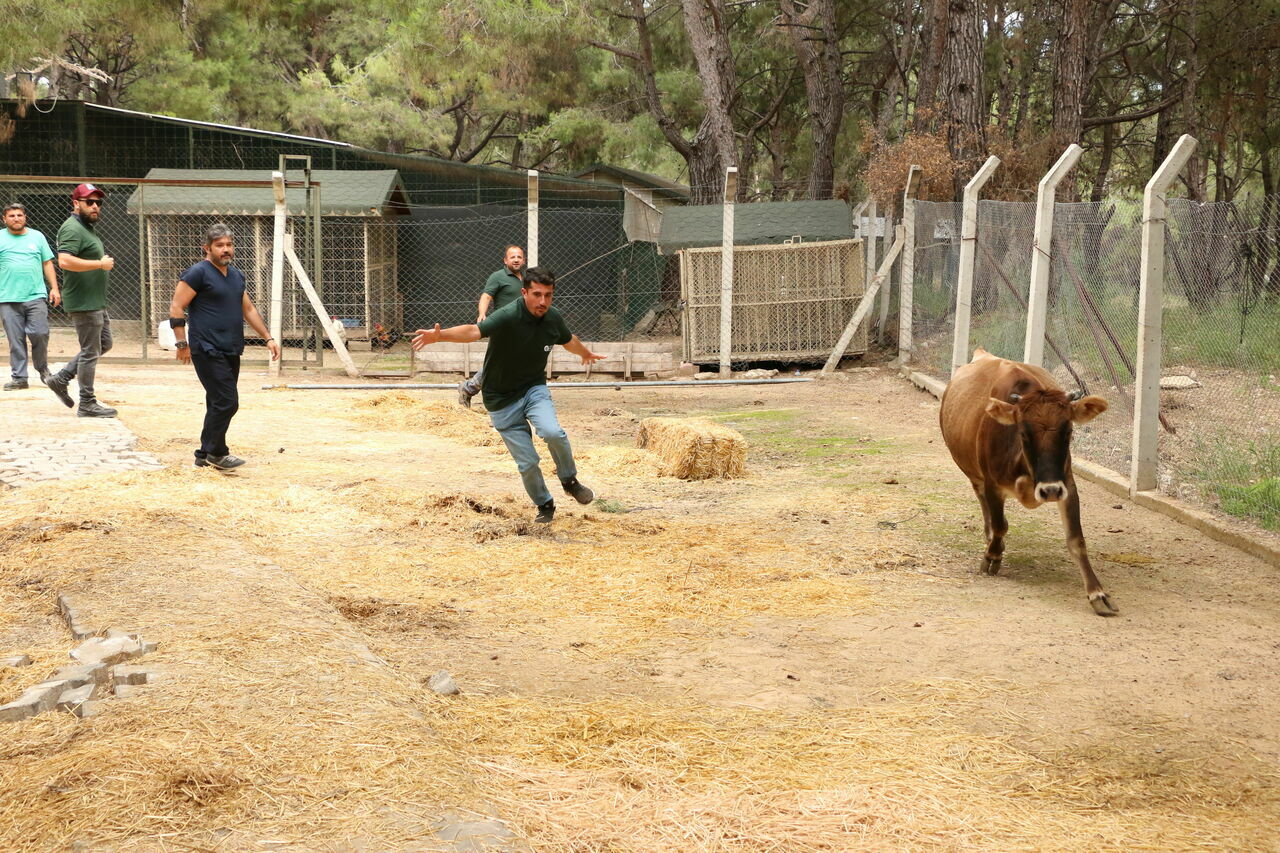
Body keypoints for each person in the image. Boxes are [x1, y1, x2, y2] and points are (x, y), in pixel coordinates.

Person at [414, 266, 603, 523]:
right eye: (537, 294)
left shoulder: (553, 317)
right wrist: (440, 336)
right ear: (524, 292)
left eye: (548, 295)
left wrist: (584, 353)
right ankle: (545, 504)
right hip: (500, 399)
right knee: (528, 463)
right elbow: (473, 331)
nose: (543, 301)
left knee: (552, 432)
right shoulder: (508, 315)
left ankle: (569, 480)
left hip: (533, 389)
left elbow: (568, 339)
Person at [168, 223, 281, 470]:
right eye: (220, 245)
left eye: (229, 245)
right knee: (228, 402)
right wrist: (181, 343)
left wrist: (268, 338)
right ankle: (217, 453)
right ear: (207, 248)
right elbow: (177, 306)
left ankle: (203, 453)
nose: (226, 249)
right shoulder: (197, 273)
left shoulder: (236, 276)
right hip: (206, 347)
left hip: (231, 347)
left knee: (217, 401)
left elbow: (248, 309)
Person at [46, 183, 116, 417]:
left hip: (95, 300)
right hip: (84, 302)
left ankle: (61, 377)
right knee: (90, 350)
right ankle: (87, 403)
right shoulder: (72, 229)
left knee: (103, 344)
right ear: (76, 203)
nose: (95, 206)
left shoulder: (86, 228)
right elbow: (64, 261)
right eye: (89, 202)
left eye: (98, 202)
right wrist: (99, 264)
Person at [0, 203, 60, 391]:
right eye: (11, 216)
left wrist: (54, 289)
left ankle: (43, 370)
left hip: (35, 295)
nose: (16, 218)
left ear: (25, 217)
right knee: (15, 339)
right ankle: (19, 378)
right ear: (4, 219)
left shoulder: (37, 236)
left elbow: (47, 263)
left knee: (40, 333)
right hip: (8, 297)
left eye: (19, 215)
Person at [457, 244, 525, 408]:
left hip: (522, 329)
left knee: (512, 363)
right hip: (503, 327)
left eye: (519, 257)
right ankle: (469, 388)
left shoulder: (526, 279)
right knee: (499, 363)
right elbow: (486, 296)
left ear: (523, 260)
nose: (516, 259)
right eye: (512, 257)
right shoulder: (498, 276)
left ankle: (474, 388)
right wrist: (482, 314)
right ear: (505, 260)